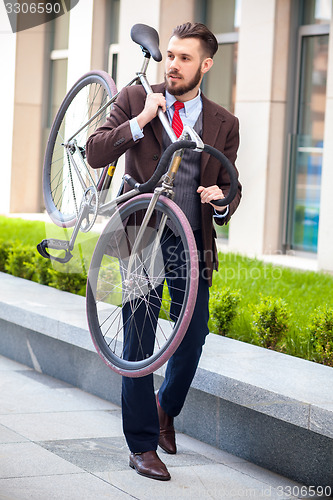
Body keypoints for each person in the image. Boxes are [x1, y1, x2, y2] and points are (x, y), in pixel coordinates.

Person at [86, 22, 242, 481]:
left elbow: (234, 185)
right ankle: (140, 444)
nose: (172, 64)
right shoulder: (137, 98)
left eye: (184, 58)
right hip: (143, 236)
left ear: (205, 65)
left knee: (193, 335)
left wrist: (222, 199)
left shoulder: (224, 122)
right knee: (139, 340)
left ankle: (164, 410)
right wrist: (139, 123)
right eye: (170, 55)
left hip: (192, 237)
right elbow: (95, 152)